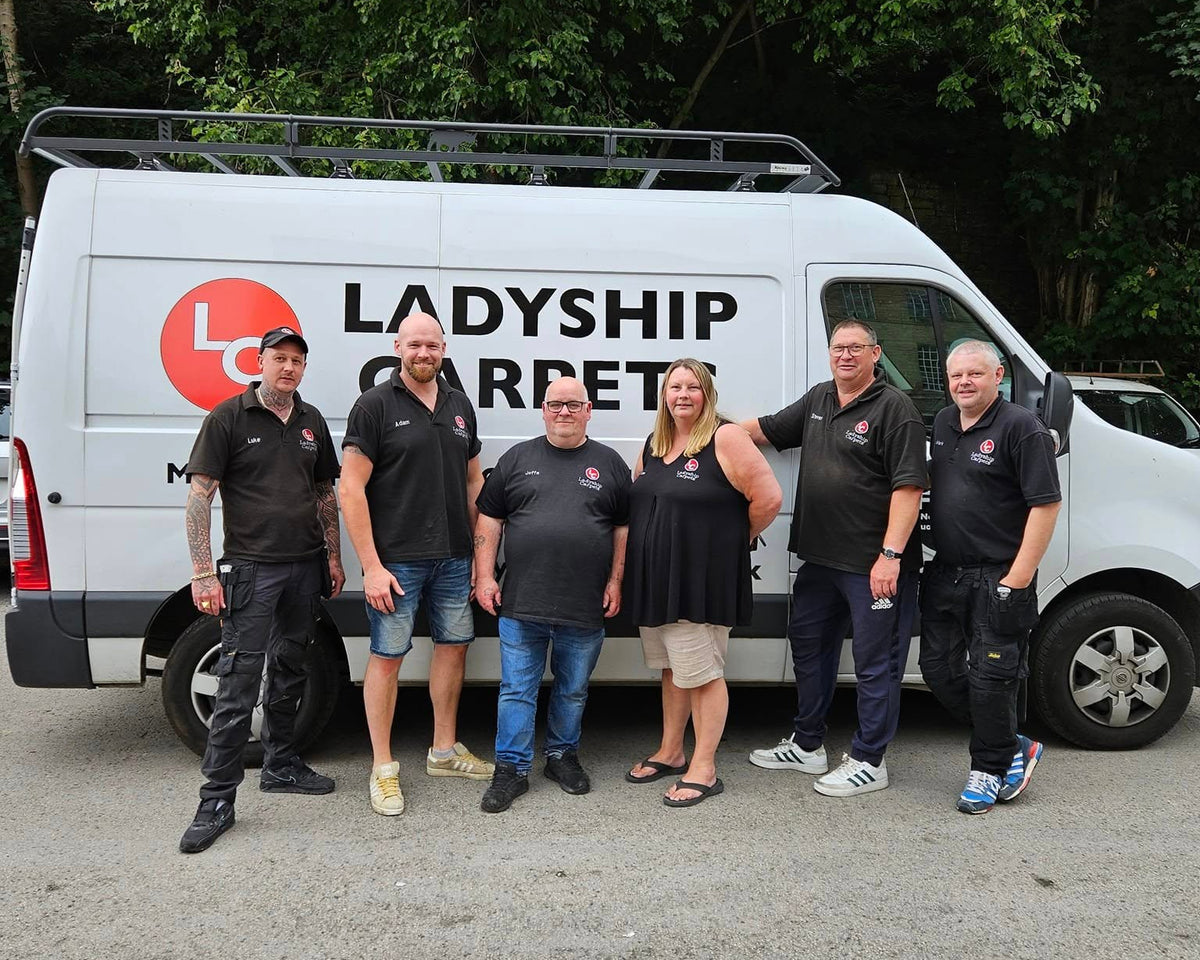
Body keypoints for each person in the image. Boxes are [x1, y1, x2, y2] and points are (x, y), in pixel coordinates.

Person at [743, 320, 926, 797]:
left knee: (875, 663)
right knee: (808, 648)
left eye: (856, 348)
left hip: (874, 565)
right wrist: (696, 432)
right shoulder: (821, 397)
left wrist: (891, 556)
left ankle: (870, 760)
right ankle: (808, 745)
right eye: (838, 347)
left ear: (875, 353)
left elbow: (909, 489)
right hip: (820, 559)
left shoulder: (895, 408)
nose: (845, 355)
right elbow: (764, 431)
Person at [179, 326, 344, 854]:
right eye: (279, 358)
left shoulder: (311, 420)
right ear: (260, 361)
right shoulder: (228, 417)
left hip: (304, 566)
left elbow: (324, 493)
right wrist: (204, 571)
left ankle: (281, 765)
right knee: (237, 681)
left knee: (291, 667)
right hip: (251, 570)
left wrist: (334, 555)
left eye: (297, 360)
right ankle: (216, 801)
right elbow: (200, 496)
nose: (288, 368)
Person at [340, 312, 493, 817]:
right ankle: (383, 768)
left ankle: (443, 751)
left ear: (444, 348)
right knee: (387, 657)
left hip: (453, 557)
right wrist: (371, 565)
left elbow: (474, 483)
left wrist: (476, 553)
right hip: (396, 563)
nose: (423, 353)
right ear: (397, 348)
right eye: (414, 345)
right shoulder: (374, 405)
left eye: (431, 345)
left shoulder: (458, 404)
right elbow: (350, 487)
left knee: (453, 649)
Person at [625, 358, 781, 807]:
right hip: (656, 582)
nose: (683, 395)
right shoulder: (655, 443)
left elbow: (768, 498)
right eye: (675, 387)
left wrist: (730, 542)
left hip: (699, 581)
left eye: (693, 387)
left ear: (707, 394)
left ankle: (705, 768)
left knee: (703, 674)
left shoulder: (725, 437)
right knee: (673, 670)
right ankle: (672, 751)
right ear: (664, 395)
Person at [473, 377, 631, 813]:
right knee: (517, 689)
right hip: (523, 601)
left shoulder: (609, 463)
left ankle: (561, 757)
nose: (564, 412)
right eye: (556, 404)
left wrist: (616, 581)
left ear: (588, 409)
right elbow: (488, 520)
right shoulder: (517, 458)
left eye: (573, 405)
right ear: (543, 410)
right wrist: (484, 577)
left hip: (585, 603)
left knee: (573, 689)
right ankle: (511, 769)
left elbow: (622, 528)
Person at [920, 340, 1061, 814]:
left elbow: (1045, 505)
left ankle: (989, 767)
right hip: (946, 573)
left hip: (999, 575)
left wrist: (1017, 578)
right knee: (938, 671)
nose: (963, 383)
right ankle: (1013, 742)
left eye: (974, 374)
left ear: (997, 375)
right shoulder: (942, 422)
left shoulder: (1022, 428)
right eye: (956, 375)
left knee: (991, 679)